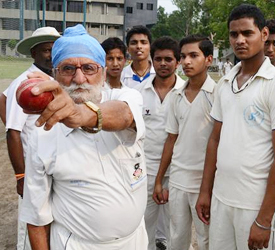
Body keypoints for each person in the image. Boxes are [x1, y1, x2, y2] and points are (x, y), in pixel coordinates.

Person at [20, 24, 148, 250]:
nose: (79, 78)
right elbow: (36, 218)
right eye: (68, 69)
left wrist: (79, 114)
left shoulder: (126, 96)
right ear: (54, 75)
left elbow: (125, 115)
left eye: (89, 68)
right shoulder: (42, 133)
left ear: (104, 73)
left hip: (135, 241)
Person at [196, 4, 275, 250]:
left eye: (247, 33)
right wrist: (205, 191)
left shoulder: (271, 84)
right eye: (234, 34)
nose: (239, 40)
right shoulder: (226, 82)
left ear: (263, 35)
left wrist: (263, 219)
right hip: (221, 199)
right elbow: (214, 140)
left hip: (254, 205)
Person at [153, 34, 215, 250]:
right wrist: (160, 180)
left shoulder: (217, 94)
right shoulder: (176, 96)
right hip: (178, 178)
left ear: (209, 59)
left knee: (206, 239)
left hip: (206, 182)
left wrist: (210, 186)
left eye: (194, 55)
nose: (187, 61)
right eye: (184, 56)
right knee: (177, 237)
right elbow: (171, 139)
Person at [4, 26, 60, 250]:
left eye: (55, 49)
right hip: (33, 171)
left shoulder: (56, 79)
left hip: (54, 167)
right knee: (31, 227)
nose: (51, 54)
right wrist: (20, 175)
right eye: (46, 50)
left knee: (51, 222)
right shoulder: (25, 83)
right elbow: (13, 132)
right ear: (34, 53)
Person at [134, 36, 185, 250]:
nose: (163, 64)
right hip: (146, 168)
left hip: (178, 171)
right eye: (158, 59)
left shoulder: (187, 92)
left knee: (177, 225)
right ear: (152, 61)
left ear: (178, 62)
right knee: (144, 222)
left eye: (168, 59)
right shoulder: (139, 93)